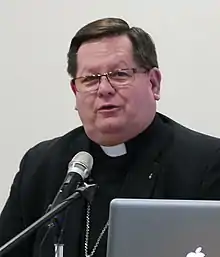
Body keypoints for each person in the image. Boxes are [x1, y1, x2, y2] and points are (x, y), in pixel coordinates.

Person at [0, 17, 220, 257]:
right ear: (76, 91)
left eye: (119, 74)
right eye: (90, 79)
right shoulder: (41, 164)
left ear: (154, 83)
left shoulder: (206, 163)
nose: (104, 89)